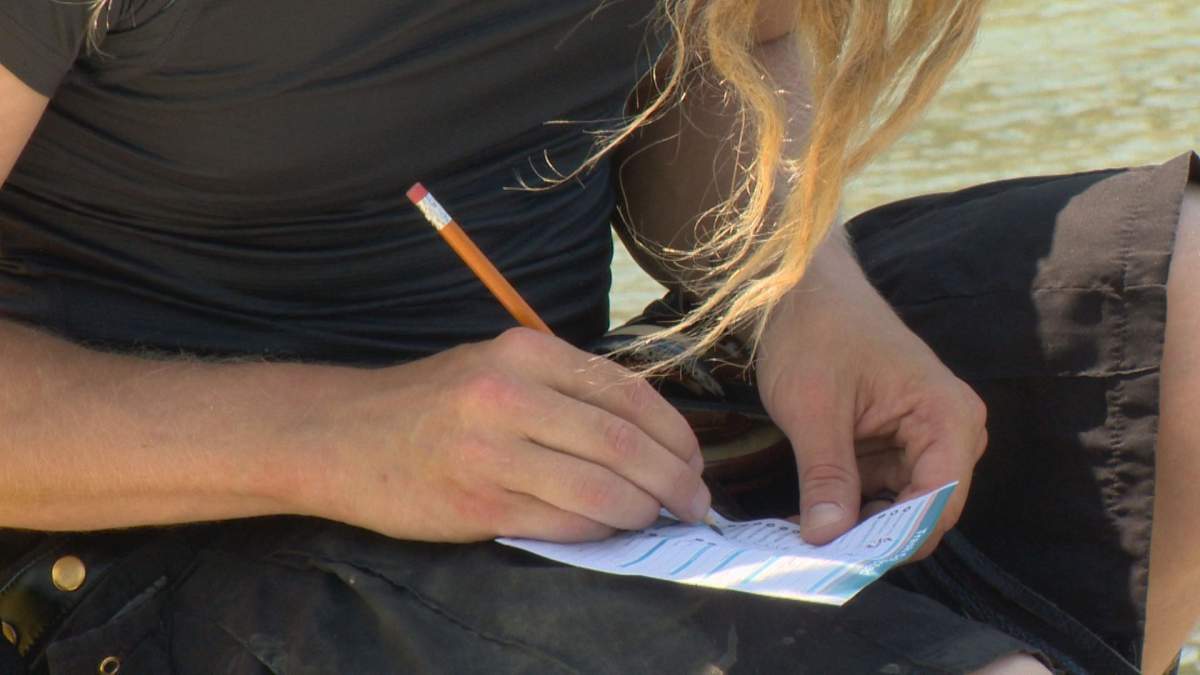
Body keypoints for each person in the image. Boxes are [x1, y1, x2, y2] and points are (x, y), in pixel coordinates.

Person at [0, 0, 1194, 673]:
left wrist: (795, 290)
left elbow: (729, 40)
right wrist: (341, 436)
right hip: (137, 550)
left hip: (563, 460)